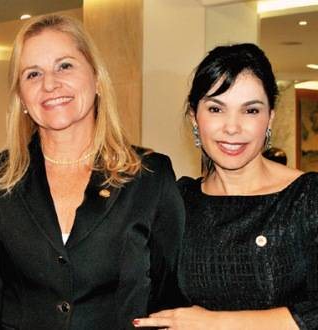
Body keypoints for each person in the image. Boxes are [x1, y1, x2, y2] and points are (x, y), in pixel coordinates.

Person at [0, 14, 185, 329]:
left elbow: (170, 297)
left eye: (64, 65)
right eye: (33, 74)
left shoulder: (150, 176)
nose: (50, 84)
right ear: (22, 97)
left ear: (95, 78)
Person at [134, 44, 317, 329]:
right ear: (195, 117)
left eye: (251, 110)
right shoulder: (179, 201)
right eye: (216, 108)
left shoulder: (307, 198)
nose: (232, 127)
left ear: (270, 117)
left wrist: (217, 323)